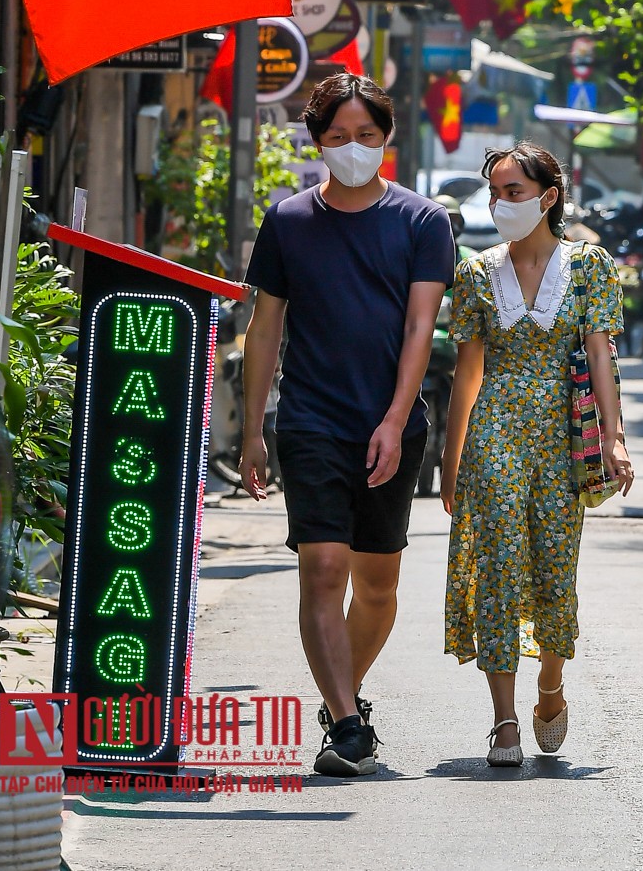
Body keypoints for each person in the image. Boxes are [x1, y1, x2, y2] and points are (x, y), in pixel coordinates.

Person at [239, 72, 455, 778]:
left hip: (393, 427)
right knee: (324, 568)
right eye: (338, 137)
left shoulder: (422, 222)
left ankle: (344, 698)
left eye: (366, 135)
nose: (353, 147)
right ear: (318, 142)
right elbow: (265, 330)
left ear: (386, 139)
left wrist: (396, 419)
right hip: (310, 423)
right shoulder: (289, 222)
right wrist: (251, 432)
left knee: (379, 587)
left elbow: (421, 325)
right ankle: (347, 724)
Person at [441, 143, 634, 768]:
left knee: (555, 560)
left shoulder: (590, 267)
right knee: (497, 563)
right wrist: (452, 460)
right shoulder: (474, 273)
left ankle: (549, 688)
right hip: (494, 428)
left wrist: (616, 436)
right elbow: (465, 373)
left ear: (547, 197)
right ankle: (503, 721)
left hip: (562, 434)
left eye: (513, 192)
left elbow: (602, 355)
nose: (500, 203)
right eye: (494, 192)